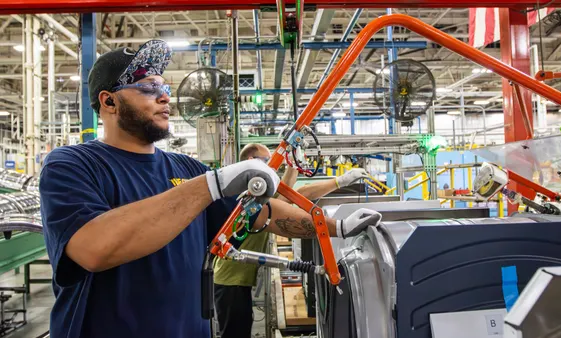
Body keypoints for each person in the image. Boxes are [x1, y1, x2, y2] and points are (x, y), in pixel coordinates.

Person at [39, 40, 382, 338]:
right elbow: (92, 249)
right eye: (146, 87)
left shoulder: (183, 168)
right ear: (109, 102)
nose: (163, 96)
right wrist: (210, 185)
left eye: (164, 88)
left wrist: (334, 226)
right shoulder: (72, 165)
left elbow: (260, 212)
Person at [213, 143, 369, 338]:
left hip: (236, 279)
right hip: (230, 280)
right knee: (235, 333)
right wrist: (339, 187)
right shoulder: (248, 193)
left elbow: (288, 193)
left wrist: (294, 164)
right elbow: (292, 198)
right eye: (268, 162)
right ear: (251, 162)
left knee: (242, 328)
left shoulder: (257, 191)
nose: (272, 169)